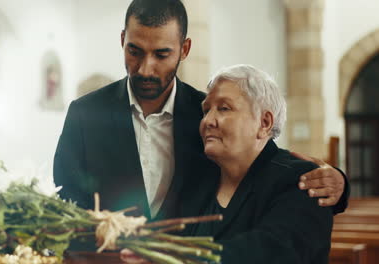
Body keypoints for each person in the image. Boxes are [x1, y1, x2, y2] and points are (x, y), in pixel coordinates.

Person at [54, 0, 348, 222]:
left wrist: (339, 184)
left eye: (161, 54)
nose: (146, 68)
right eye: (135, 51)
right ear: (122, 41)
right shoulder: (85, 114)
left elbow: (263, 168)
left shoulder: (207, 116)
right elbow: (64, 200)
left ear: (184, 49)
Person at [188, 64, 332, 263]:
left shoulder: (302, 180)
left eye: (223, 108)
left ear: (264, 123)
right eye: (206, 110)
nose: (208, 121)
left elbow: (272, 251)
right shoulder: (199, 180)